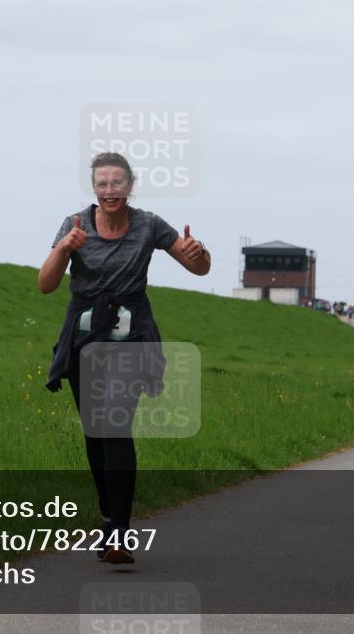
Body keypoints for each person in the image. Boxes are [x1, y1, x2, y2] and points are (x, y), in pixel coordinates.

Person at [41, 151, 210, 564]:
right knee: (95, 434)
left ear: (130, 186)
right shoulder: (75, 224)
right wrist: (64, 248)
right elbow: (45, 285)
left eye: (118, 182)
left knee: (115, 425)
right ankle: (107, 519)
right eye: (102, 183)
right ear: (94, 188)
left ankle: (118, 531)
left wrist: (198, 251)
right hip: (83, 338)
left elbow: (199, 269)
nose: (110, 189)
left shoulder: (149, 224)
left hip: (131, 336)